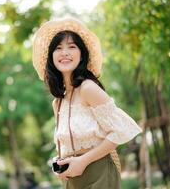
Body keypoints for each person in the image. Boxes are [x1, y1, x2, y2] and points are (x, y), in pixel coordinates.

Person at [32, 18, 142, 189]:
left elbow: (120, 131)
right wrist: (60, 160)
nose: (65, 52)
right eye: (58, 48)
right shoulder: (58, 102)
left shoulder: (87, 88)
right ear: (51, 56)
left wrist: (83, 161)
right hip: (73, 177)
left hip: (97, 171)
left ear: (81, 53)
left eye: (72, 47)